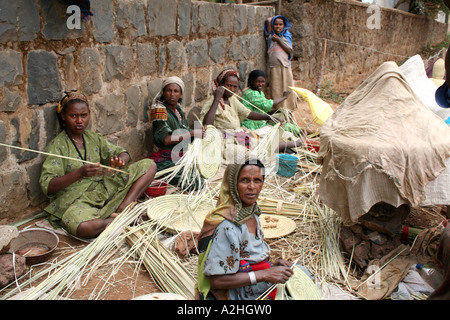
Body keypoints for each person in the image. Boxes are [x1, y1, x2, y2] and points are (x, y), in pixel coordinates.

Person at [39, 91, 157, 239]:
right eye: (73, 116)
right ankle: (117, 220)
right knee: (85, 227)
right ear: (63, 116)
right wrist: (79, 173)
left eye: (84, 115)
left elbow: (123, 152)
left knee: (149, 165)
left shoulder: (93, 138)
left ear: (89, 115)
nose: (79, 121)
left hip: (103, 189)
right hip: (77, 201)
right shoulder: (57, 146)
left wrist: (120, 161)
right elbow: (47, 185)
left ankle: (125, 206)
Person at [196, 159, 294, 300]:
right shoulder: (228, 226)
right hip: (237, 292)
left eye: (258, 180)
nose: (252, 187)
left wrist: (272, 265)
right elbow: (216, 281)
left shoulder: (251, 212)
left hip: (253, 278)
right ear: (233, 184)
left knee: (302, 275)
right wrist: (265, 274)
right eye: (245, 180)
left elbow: (249, 256)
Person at [200, 69, 301, 161]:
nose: (232, 89)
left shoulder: (232, 99)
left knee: (258, 141)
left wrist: (269, 117)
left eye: (235, 87)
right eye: (229, 85)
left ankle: (284, 147)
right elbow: (206, 124)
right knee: (248, 153)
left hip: (238, 134)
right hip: (225, 141)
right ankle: (286, 146)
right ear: (221, 84)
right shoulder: (213, 101)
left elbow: (248, 113)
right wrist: (217, 99)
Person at [148, 76, 204, 187]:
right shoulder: (160, 111)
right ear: (163, 92)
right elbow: (166, 139)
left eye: (176, 91)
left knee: (203, 172)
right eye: (169, 91)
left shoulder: (178, 110)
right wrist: (191, 133)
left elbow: (184, 131)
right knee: (195, 182)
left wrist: (197, 132)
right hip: (167, 158)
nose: (172, 95)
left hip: (181, 156)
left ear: (181, 94)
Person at [241, 69, 304, 137]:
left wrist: (277, 111)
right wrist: (284, 97)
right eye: (257, 81)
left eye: (262, 82)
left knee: (284, 124)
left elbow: (263, 110)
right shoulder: (250, 93)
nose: (260, 84)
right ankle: (298, 135)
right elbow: (266, 105)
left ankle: (300, 132)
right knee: (281, 129)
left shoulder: (260, 93)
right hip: (252, 124)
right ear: (251, 81)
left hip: (260, 121)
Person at [264, 15, 297, 111]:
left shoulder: (286, 36)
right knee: (276, 89)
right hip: (274, 67)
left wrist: (278, 40)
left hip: (285, 67)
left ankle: (288, 109)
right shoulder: (271, 37)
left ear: (284, 26)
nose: (278, 26)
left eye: (280, 24)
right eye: (275, 24)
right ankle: (278, 109)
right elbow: (268, 20)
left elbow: (289, 50)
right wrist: (273, 19)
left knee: (287, 87)